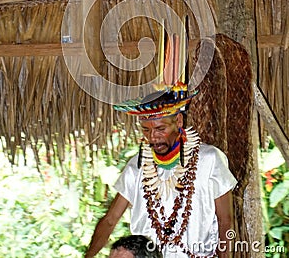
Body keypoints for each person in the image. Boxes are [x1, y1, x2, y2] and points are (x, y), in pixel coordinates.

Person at [85, 83, 237, 258]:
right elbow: (111, 220)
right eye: (146, 130)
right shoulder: (137, 166)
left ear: (178, 121)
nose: (152, 137)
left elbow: (225, 220)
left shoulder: (209, 159)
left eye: (160, 129)